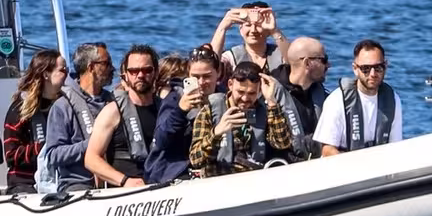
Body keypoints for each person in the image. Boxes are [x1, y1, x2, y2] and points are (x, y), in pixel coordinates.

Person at [189, 61, 294, 176]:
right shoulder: (210, 110)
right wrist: (216, 133)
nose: (245, 98)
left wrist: (272, 102)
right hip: (219, 177)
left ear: (259, 91)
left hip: (254, 176)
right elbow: (195, 160)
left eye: (251, 93)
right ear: (230, 85)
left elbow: (282, 144)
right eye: (240, 92)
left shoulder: (264, 110)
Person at [82, 45, 161, 188]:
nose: (140, 75)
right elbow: (91, 159)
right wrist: (125, 181)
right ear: (125, 75)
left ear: (156, 72)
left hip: (160, 186)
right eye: (134, 71)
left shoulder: (164, 109)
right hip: (124, 193)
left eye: (147, 70)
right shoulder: (112, 111)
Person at [39, 42, 115, 192]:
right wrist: (92, 144)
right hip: (77, 185)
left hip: (113, 179)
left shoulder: (113, 102)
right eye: (107, 64)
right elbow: (54, 155)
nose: (112, 68)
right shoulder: (62, 107)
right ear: (91, 67)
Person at [145, 44, 223, 184]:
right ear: (188, 74)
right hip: (175, 171)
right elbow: (161, 140)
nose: (201, 83)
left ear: (218, 73)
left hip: (214, 168)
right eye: (195, 77)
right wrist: (181, 110)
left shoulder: (225, 97)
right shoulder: (175, 99)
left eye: (206, 76)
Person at [315, 39, 404, 155]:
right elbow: (327, 150)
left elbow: (395, 146)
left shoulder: (393, 99)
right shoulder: (336, 100)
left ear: (385, 66)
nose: (372, 74)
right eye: (365, 69)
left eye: (378, 68)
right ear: (355, 69)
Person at [2, 50, 67, 193]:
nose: (67, 74)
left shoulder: (66, 105)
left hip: (60, 178)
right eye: (62, 70)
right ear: (46, 74)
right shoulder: (20, 109)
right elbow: (11, 155)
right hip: (25, 181)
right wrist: (45, 148)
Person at [266, 36, 329, 161]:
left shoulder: (320, 92)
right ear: (307, 63)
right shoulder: (270, 93)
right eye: (323, 60)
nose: (328, 65)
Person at [210, 2, 286, 75]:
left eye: (259, 25)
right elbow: (210, 66)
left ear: (268, 31)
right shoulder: (232, 57)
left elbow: (294, 63)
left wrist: (275, 31)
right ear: (241, 29)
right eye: (248, 25)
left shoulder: (281, 54)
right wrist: (222, 28)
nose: (253, 30)